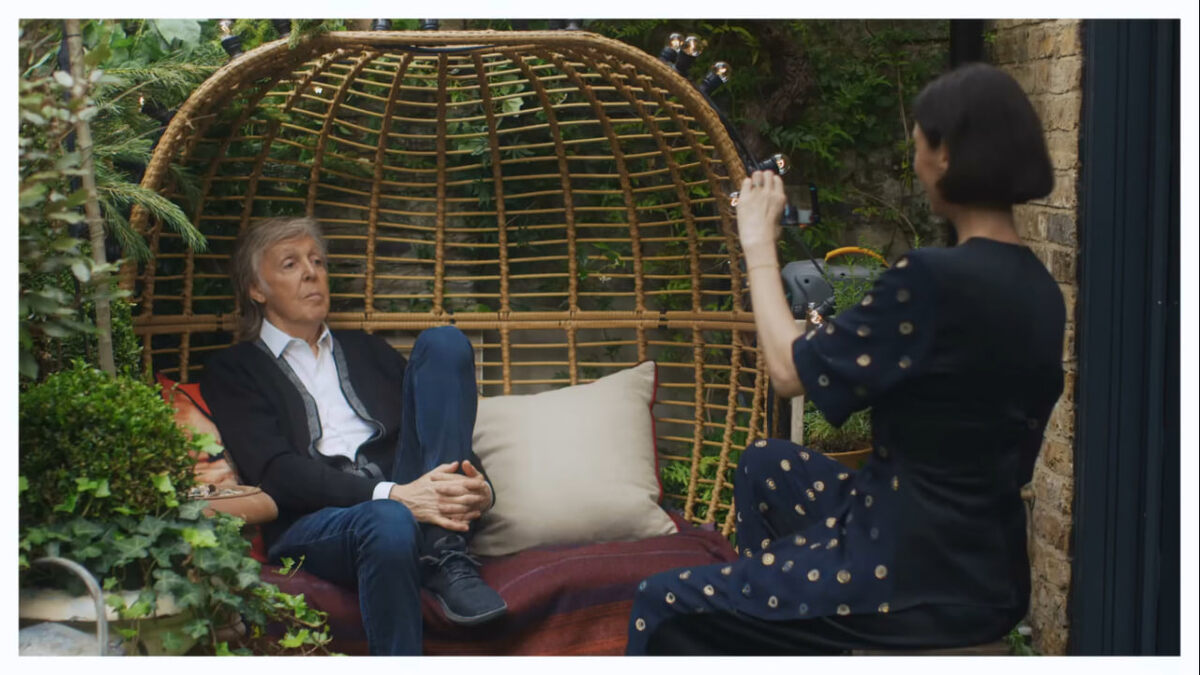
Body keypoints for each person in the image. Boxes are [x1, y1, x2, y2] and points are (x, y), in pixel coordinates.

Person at [625, 62, 1065, 655]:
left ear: (945, 156)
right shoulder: (1038, 287)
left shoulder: (931, 279)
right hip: (985, 566)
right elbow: (941, 380)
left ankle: (788, 616)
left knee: (661, 603)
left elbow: (787, 373)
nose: (915, 161)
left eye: (918, 145)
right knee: (765, 465)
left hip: (905, 571)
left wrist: (757, 243)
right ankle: (784, 628)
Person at [201, 216, 507, 656]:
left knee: (445, 343)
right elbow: (276, 472)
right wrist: (392, 495)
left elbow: (435, 428)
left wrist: (481, 491)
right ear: (256, 289)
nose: (311, 273)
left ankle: (443, 550)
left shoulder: (369, 350)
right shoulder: (234, 370)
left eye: (318, 261)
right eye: (290, 264)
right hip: (316, 521)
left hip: (410, 495)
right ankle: (436, 556)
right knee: (389, 518)